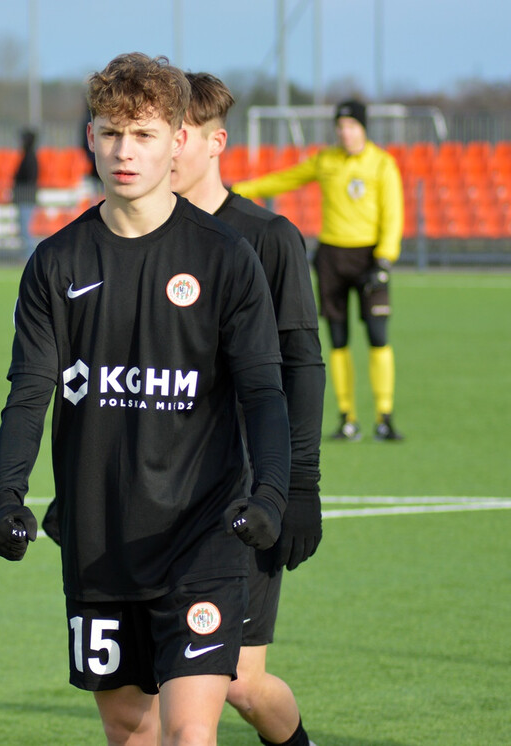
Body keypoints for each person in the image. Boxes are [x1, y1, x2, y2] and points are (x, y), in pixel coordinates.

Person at [0, 52, 291, 746]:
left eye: (145, 135)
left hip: (203, 539)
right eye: (111, 133)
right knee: (130, 728)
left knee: (190, 734)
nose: (125, 151)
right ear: (90, 137)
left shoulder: (224, 257)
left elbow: (263, 392)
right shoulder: (56, 264)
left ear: (178, 140)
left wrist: (272, 495)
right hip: (100, 541)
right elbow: (28, 393)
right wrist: (7, 496)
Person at [171, 72, 323, 746]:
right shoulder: (139, 237)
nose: (167, 151)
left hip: (241, 489)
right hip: (158, 487)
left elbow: (302, 367)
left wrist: (300, 485)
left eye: (182, 136)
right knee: (155, 686)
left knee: (237, 682)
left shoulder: (268, 238)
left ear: (215, 141)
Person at [233, 99, 405, 442]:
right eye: (340, 126)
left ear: (364, 128)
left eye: (352, 126)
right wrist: (240, 191)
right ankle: (348, 419)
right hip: (332, 257)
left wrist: (385, 259)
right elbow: (287, 179)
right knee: (338, 341)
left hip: (370, 258)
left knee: (378, 338)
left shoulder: (382, 164)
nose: (345, 132)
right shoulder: (326, 161)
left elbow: (394, 212)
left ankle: (384, 416)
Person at [12, 128, 40, 258]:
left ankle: (30, 256)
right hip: (24, 197)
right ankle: (28, 255)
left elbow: (27, 178)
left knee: (25, 229)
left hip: (26, 198)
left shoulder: (30, 158)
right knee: (23, 228)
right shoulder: (28, 157)